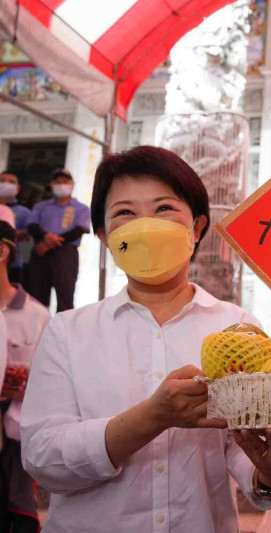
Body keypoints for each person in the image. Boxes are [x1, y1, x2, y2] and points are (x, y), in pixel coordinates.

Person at [20, 146, 271, 532]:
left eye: (164, 208)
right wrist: (152, 418)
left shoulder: (238, 328)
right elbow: (43, 457)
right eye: (125, 213)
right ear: (104, 236)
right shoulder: (67, 330)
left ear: (197, 228)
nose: (146, 224)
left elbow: (246, 456)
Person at [0, 220, 48, 532]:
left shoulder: (37, 316)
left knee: (17, 520)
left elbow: (50, 385)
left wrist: (23, 386)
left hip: (15, 442)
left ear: (2, 251)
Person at [25, 169, 90, 311]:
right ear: (51, 184)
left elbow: (80, 229)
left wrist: (49, 242)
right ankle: (37, 331)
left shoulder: (81, 208)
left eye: (65, 181)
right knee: (36, 297)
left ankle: (63, 331)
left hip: (65, 253)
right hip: (40, 253)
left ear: (72, 184)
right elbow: (32, 226)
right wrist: (45, 237)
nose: (61, 185)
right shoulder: (41, 206)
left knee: (65, 296)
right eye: (57, 182)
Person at [0, 172, 31, 284]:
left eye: (11, 182)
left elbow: (28, 236)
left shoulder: (24, 212)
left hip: (12, 264)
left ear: (18, 188)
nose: (6, 184)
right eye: (2, 180)